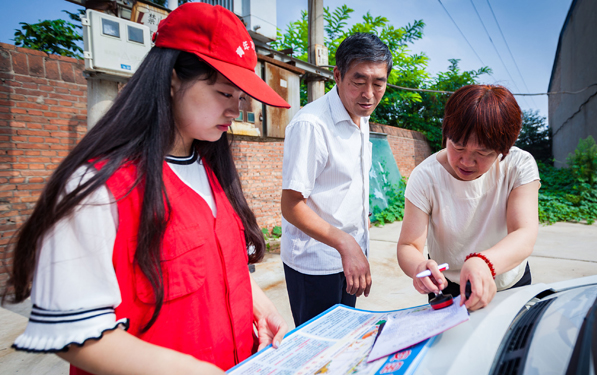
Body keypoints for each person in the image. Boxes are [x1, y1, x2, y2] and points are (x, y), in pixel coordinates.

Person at [4, 4, 288, 374]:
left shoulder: (212, 171)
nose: (237, 109)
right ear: (172, 79)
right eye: (224, 93)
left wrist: (259, 305)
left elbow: (214, 267)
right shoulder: (98, 187)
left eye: (241, 97)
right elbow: (74, 332)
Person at [280, 33, 392, 326]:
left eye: (378, 82)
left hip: (349, 257)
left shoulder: (362, 117)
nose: (369, 93)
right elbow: (291, 205)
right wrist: (346, 244)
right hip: (316, 263)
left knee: (342, 343)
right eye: (358, 81)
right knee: (319, 352)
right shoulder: (311, 125)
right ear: (337, 75)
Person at [397, 84, 540, 311]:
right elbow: (408, 245)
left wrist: (484, 262)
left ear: (503, 150)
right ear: (446, 135)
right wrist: (419, 266)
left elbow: (524, 233)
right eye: (458, 147)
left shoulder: (519, 165)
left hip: (509, 281)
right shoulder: (425, 176)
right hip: (450, 288)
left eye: (482, 153)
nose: (466, 161)